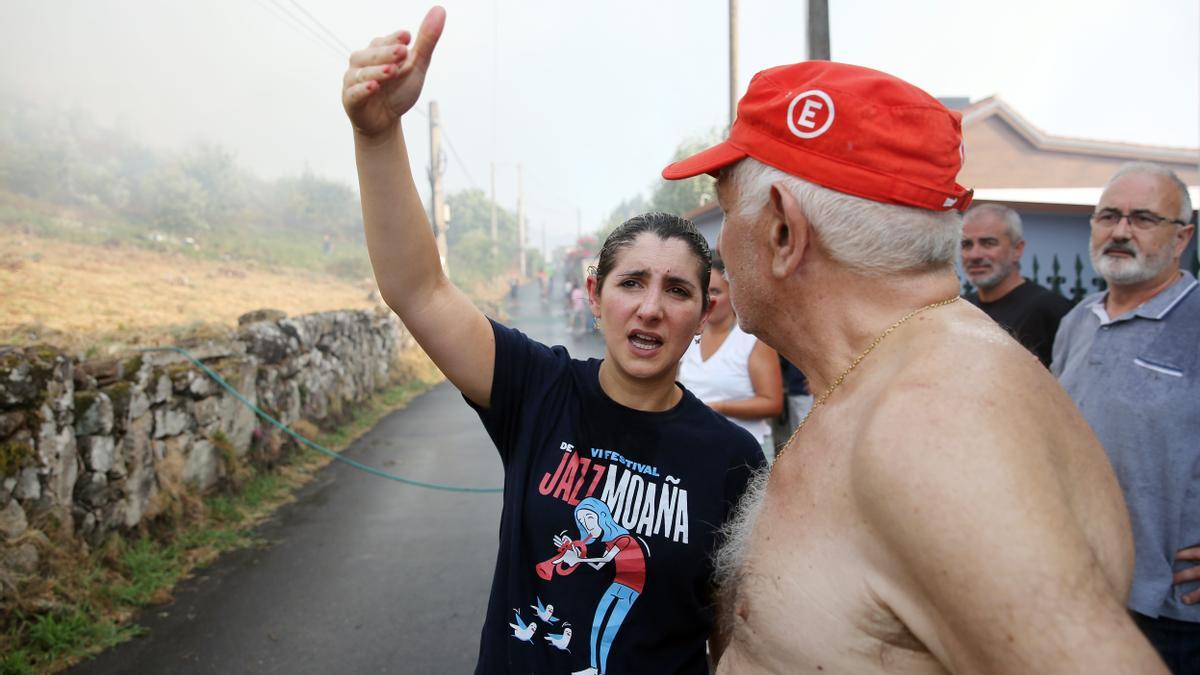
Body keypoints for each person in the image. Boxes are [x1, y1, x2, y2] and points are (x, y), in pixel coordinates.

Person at [661, 60, 1166, 673]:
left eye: (726, 210)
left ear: (783, 229)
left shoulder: (931, 426)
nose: (719, 247)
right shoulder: (897, 374)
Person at [340, 9, 764, 674]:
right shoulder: (538, 388)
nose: (651, 308)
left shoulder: (733, 458)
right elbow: (418, 290)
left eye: (678, 290)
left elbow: (730, 638)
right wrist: (377, 133)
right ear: (595, 296)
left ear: (703, 307)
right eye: (632, 283)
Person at [1051, 162, 1199, 674]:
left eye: (1142, 218)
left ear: (1182, 238)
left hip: (1173, 614)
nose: (1120, 231)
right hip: (1081, 590)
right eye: (1108, 216)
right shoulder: (1078, 319)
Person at [678, 256, 782, 460]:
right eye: (703, 291)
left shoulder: (752, 339)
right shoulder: (688, 335)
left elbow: (772, 403)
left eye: (715, 291)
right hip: (693, 447)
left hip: (743, 454)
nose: (708, 299)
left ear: (733, 293)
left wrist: (718, 407)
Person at [960, 203, 1073, 366]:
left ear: (1017, 249)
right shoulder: (962, 308)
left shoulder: (1051, 310)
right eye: (966, 245)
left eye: (988, 243)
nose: (975, 254)